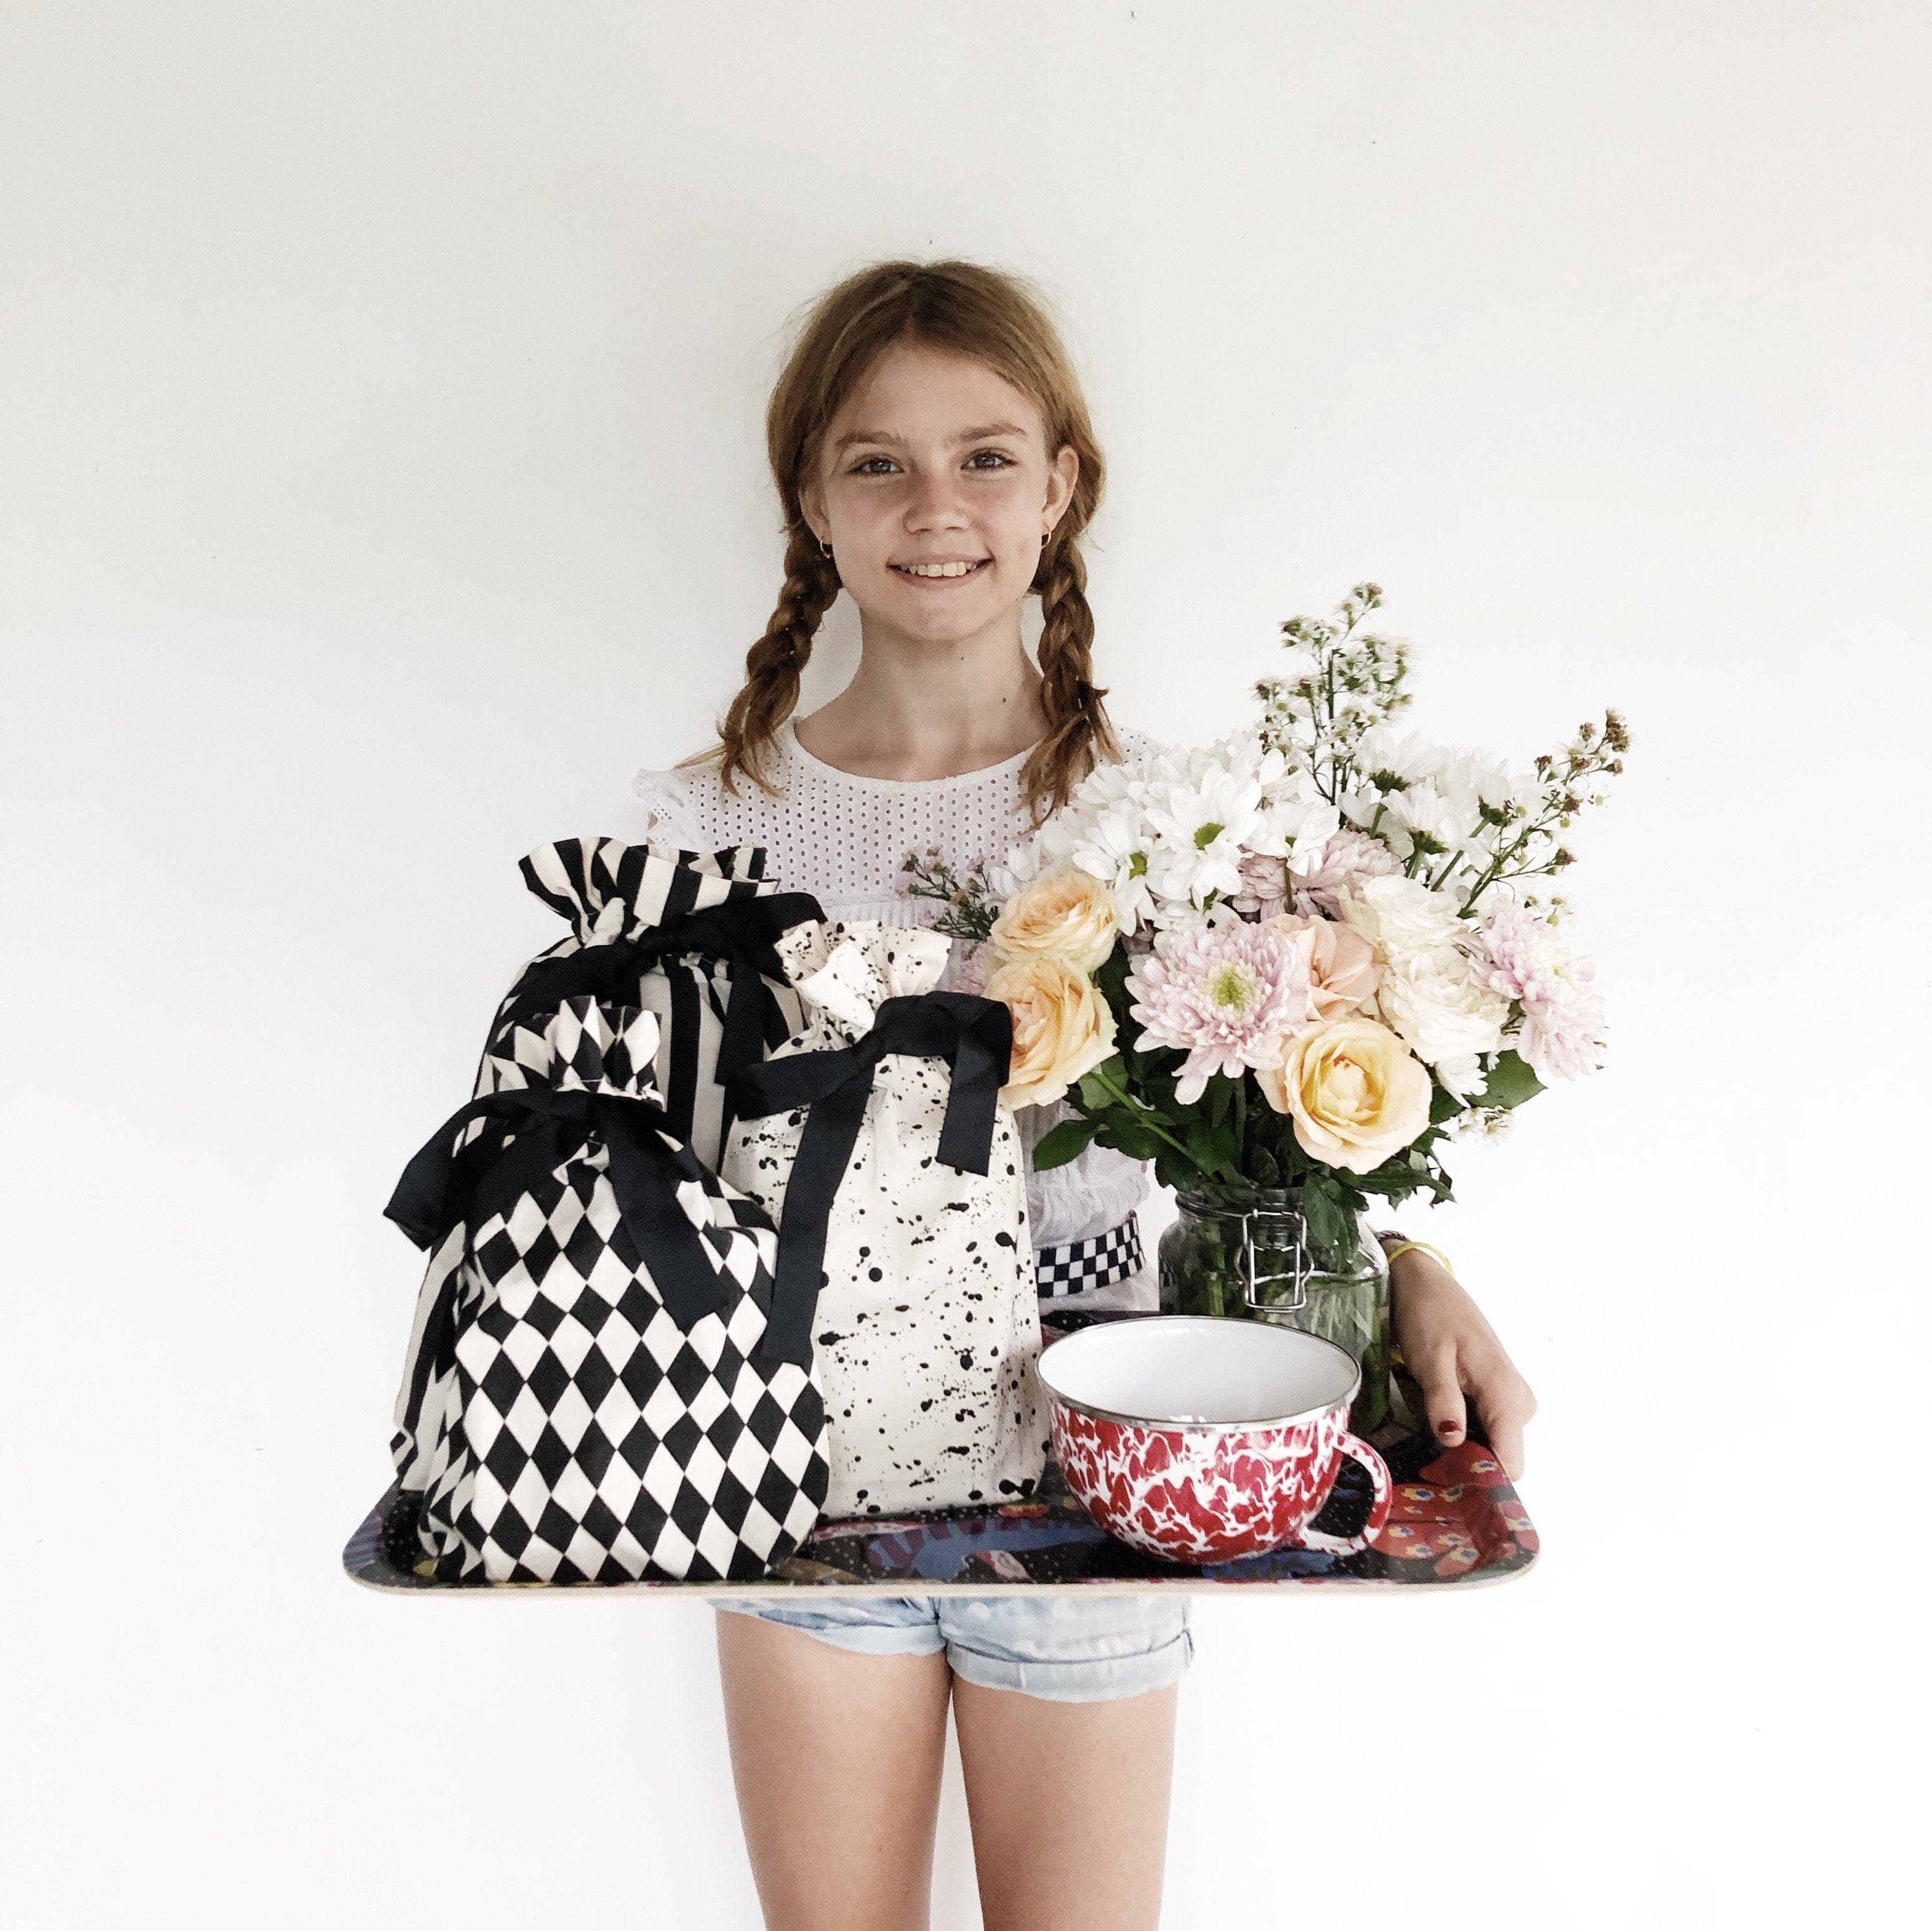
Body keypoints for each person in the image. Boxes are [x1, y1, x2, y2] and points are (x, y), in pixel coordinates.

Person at [632, 259, 1537, 1931]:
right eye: (877, 460)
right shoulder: (703, 829)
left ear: (1062, 483)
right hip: (806, 1488)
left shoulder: (1170, 820)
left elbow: (1266, 1146)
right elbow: (656, 1177)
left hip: (1101, 1474)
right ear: (810, 498)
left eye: (986, 455)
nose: (935, 507)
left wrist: (1410, 1268)